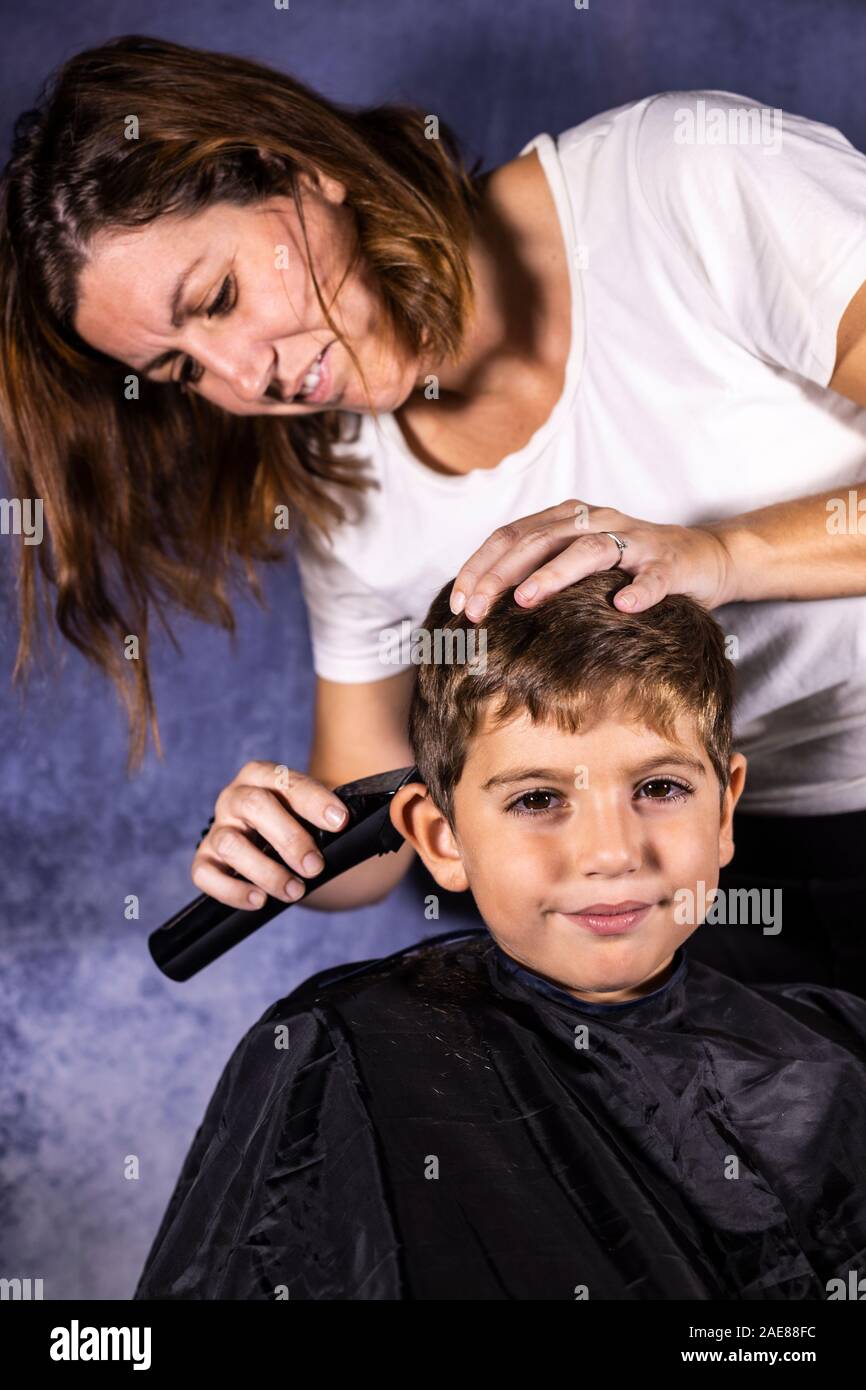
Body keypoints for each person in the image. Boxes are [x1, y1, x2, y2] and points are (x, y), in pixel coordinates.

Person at [3, 35, 866, 989]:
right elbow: (376, 825)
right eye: (181, 370)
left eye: (220, 296)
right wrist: (278, 847)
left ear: (301, 169)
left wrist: (719, 555)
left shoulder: (685, 183)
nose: (246, 378)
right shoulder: (348, 492)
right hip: (728, 881)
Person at [133, 570, 866, 1301]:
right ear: (440, 838)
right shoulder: (345, 1055)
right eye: (539, 798)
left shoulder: (835, 1050)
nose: (611, 853)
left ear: (725, 810)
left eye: (660, 788)